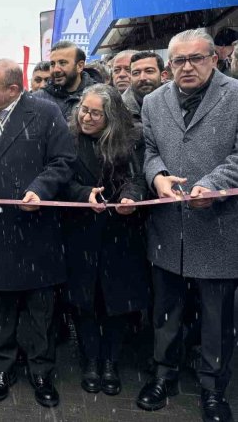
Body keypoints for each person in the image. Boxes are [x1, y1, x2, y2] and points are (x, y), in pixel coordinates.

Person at [0, 59, 75, 408]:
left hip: (36, 227)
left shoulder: (45, 112)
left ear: (13, 89)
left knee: (41, 309)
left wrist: (40, 189)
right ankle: (2, 369)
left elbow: (63, 160)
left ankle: (41, 370)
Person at [137, 29, 238, 422]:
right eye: (178, 60)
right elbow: (149, 150)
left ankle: (214, 389)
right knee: (166, 311)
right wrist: (157, 176)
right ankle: (164, 376)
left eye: (196, 58)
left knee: (217, 317)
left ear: (214, 58)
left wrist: (213, 184)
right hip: (168, 227)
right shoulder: (153, 101)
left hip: (219, 225)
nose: (186, 67)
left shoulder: (235, 95)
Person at [63, 84, 149, 397]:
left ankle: (111, 361)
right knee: (85, 301)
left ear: (111, 116)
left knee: (118, 301)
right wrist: (82, 194)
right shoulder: (67, 139)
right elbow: (61, 178)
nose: (86, 117)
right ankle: (90, 359)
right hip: (81, 232)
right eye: (83, 110)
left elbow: (140, 177)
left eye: (95, 113)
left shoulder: (133, 138)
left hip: (121, 233)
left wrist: (130, 197)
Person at [35, 40, 98, 120]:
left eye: (62, 63)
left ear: (80, 66)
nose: (56, 70)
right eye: (52, 64)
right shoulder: (37, 99)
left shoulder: (99, 96)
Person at [121, 51, 166, 121]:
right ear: (130, 78)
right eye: (136, 73)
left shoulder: (179, 101)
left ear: (163, 76)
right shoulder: (120, 110)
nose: (142, 78)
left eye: (149, 71)